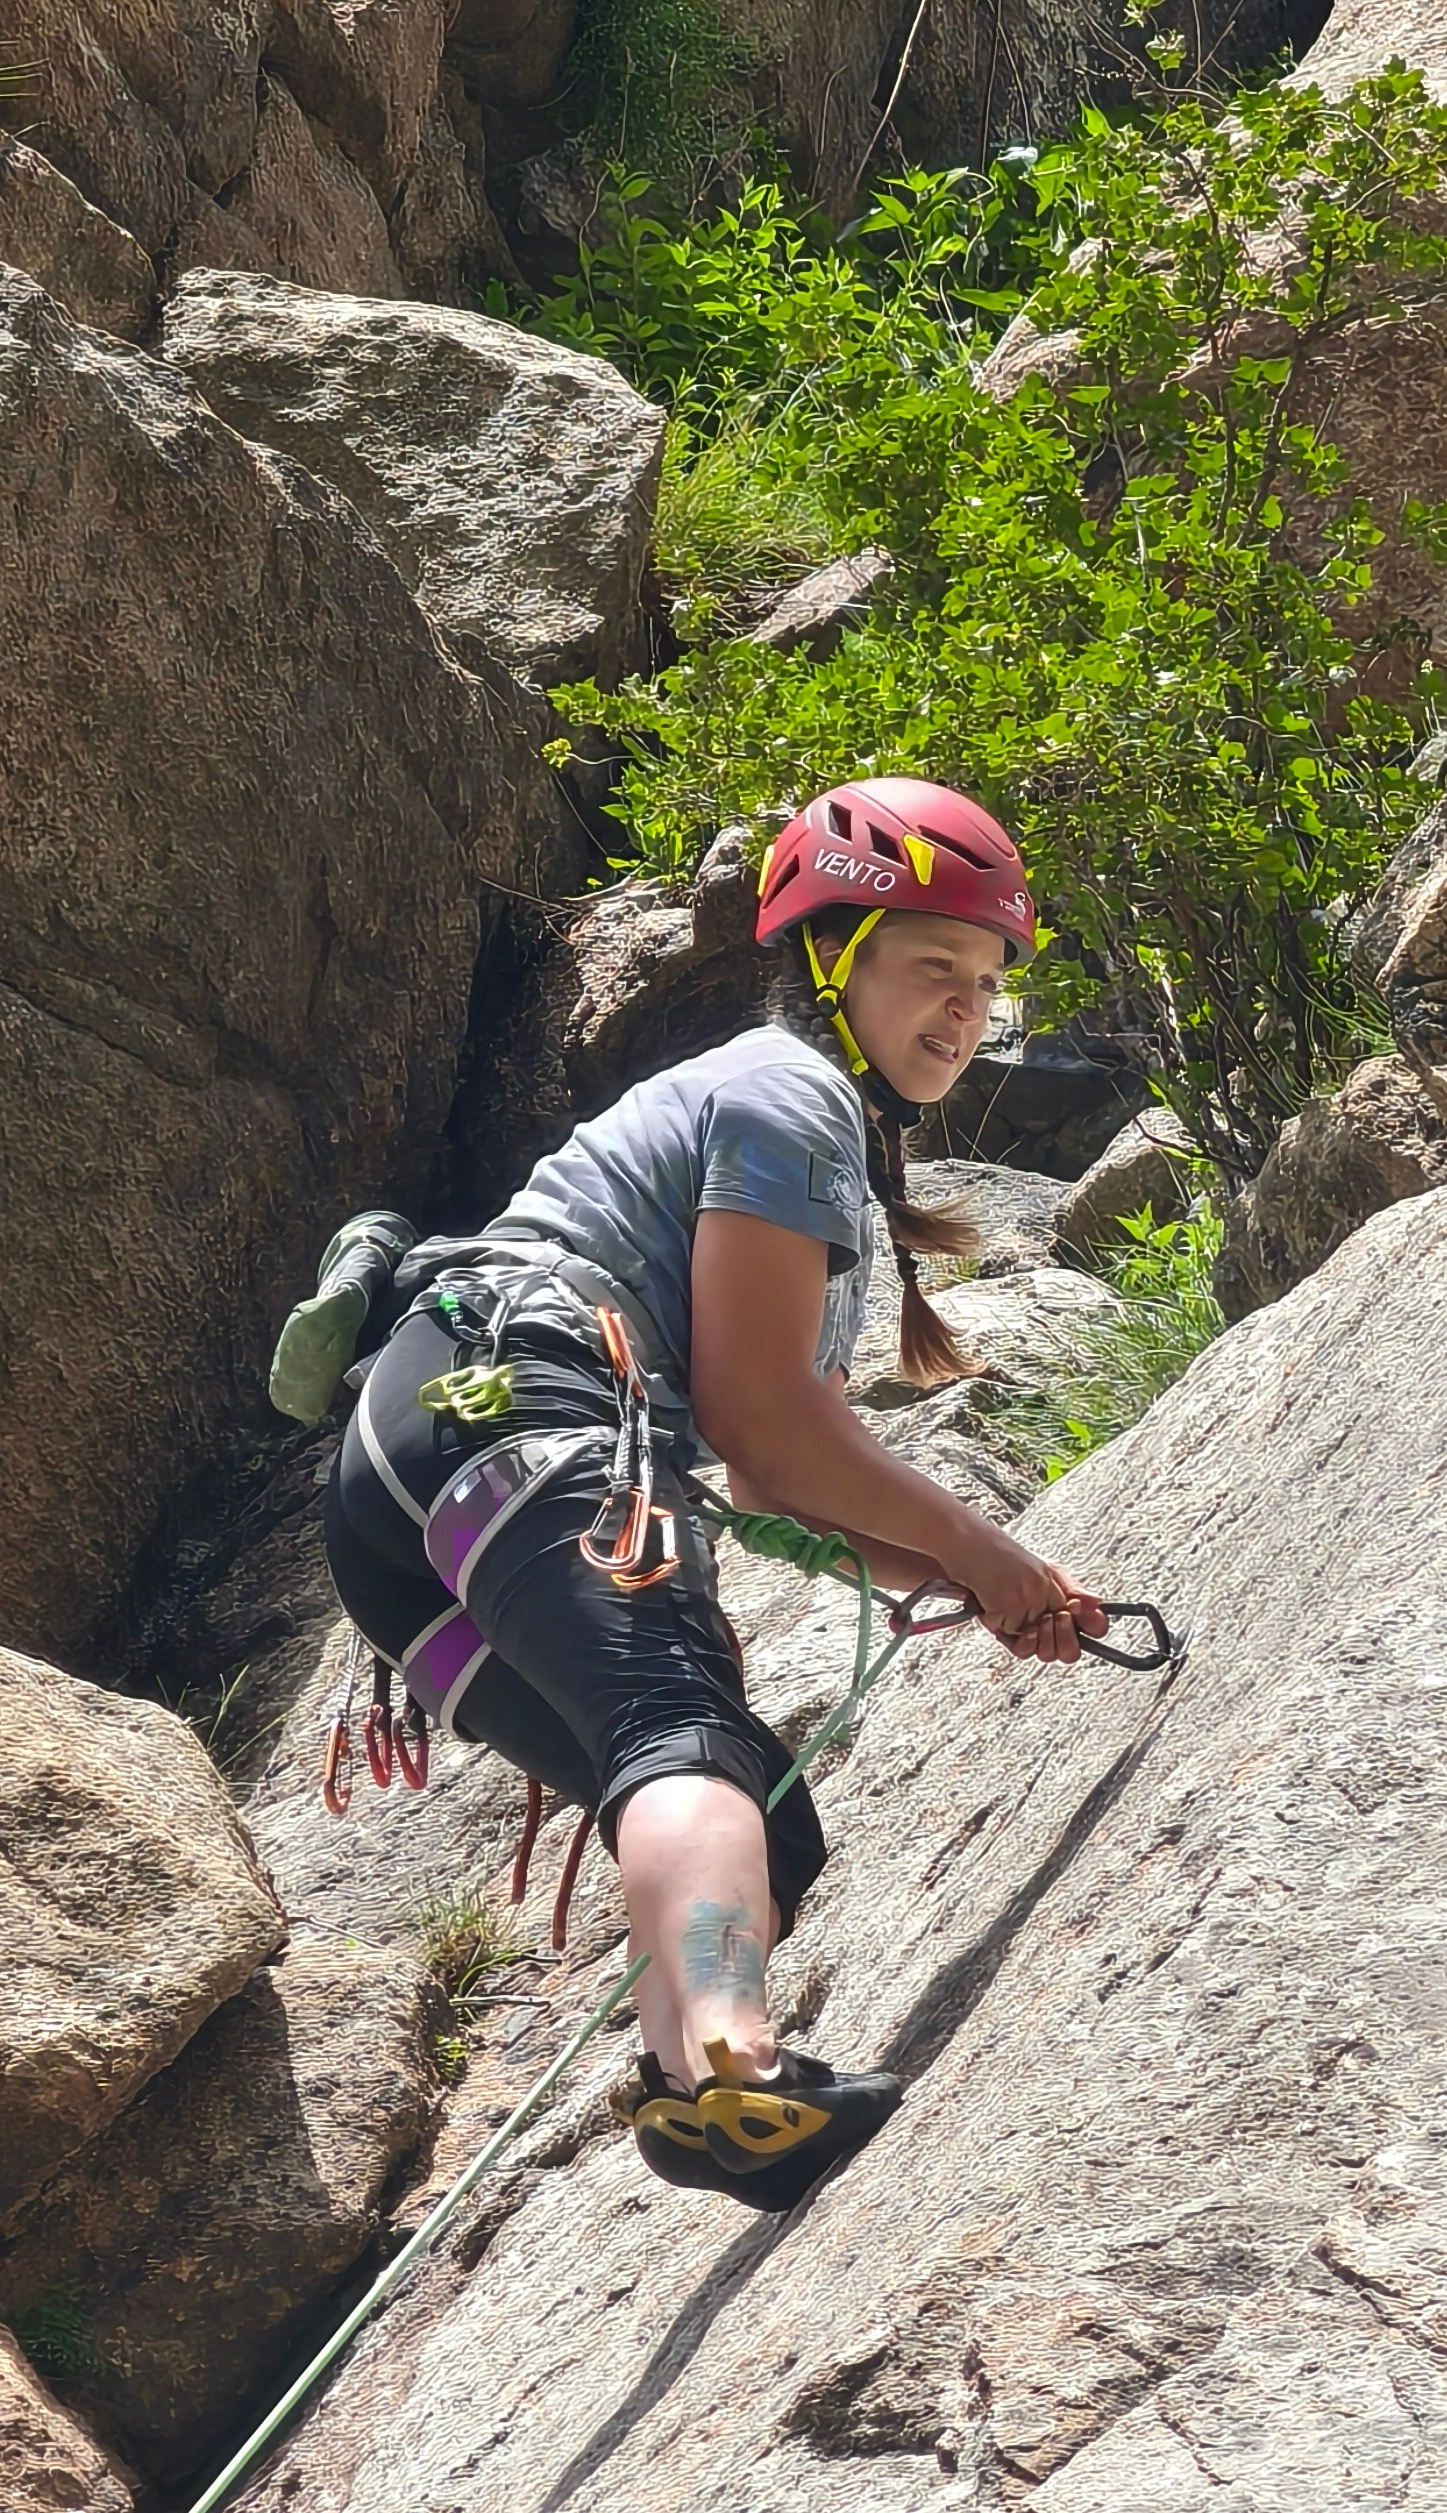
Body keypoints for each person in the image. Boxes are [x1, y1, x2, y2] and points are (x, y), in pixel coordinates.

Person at [306, 775, 1106, 2215]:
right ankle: (739, 2058)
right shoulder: (790, 1094)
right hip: (526, 1393)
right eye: (934, 966)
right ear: (831, 956)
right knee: (675, 1722)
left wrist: (975, 1582)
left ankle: (693, 2084)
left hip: (406, 1496)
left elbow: (765, 1468)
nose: (966, 1010)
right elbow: (768, 1426)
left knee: (750, 1810)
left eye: (985, 984)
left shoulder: (799, 1132)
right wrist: (989, 1549)